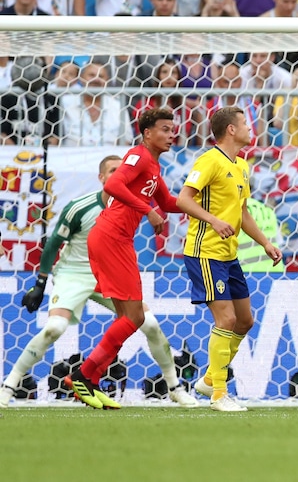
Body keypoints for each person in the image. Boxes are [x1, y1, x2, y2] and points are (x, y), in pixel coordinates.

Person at [0, 156, 198, 409]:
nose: (118, 174)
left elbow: (167, 203)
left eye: (121, 170)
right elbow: (53, 244)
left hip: (108, 272)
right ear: (102, 178)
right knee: (55, 328)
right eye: (112, 171)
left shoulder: (133, 205)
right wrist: (40, 282)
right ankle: (9, 385)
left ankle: (175, 388)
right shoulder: (80, 207)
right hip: (75, 273)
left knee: (150, 324)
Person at [66, 108, 184, 410]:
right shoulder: (138, 155)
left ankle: (87, 381)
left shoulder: (154, 168)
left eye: (173, 129)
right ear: (147, 133)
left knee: (128, 318)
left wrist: (203, 204)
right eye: (165, 129)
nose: (172, 134)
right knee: (136, 317)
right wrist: (148, 211)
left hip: (118, 240)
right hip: (110, 237)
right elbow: (113, 185)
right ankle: (83, 375)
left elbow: (169, 203)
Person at [176, 107, 283, 412]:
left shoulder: (241, 166)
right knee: (226, 320)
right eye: (245, 124)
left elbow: (243, 212)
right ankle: (218, 394)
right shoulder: (209, 160)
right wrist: (212, 220)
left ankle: (210, 378)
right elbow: (183, 199)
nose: (251, 129)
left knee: (245, 320)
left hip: (228, 254)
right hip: (204, 252)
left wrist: (265, 242)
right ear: (231, 130)